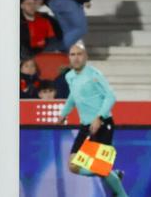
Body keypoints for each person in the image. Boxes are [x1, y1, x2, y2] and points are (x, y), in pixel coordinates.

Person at [60, 43, 127, 196]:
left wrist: (99, 118)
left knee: (99, 167)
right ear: (69, 58)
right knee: (73, 166)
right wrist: (63, 113)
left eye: (79, 54)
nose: (76, 58)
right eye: (72, 55)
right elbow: (73, 96)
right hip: (85, 127)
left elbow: (110, 97)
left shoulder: (94, 75)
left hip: (102, 125)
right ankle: (113, 174)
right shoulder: (69, 76)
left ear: (86, 57)